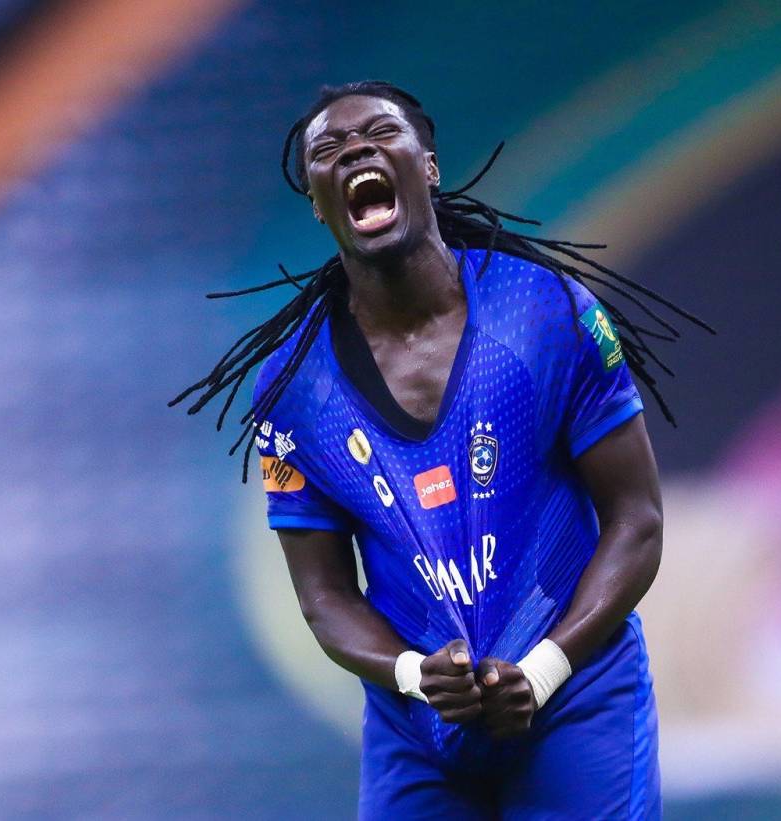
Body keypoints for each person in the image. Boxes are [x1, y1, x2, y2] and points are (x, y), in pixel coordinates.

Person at [171, 81, 711, 819]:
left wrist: (544, 670)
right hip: (419, 726)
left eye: (380, 133)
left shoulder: (545, 310)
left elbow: (636, 519)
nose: (355, 150)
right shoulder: (293, 386)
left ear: (427, 166)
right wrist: (413, 675)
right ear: (318, 204)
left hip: (576, 694)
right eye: (329, 149)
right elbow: (324, 596)